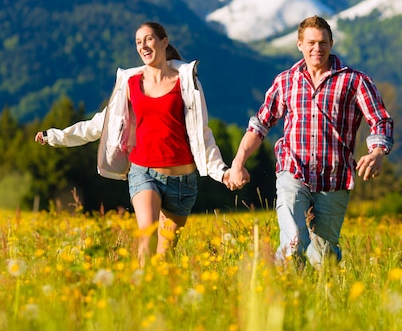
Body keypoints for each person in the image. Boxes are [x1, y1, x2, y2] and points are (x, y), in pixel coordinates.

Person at [35, 21, 246, 265]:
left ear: (164, 41)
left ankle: (156, 296)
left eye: (148, 39)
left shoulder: (186, 83)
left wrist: (222, 172)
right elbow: (100, 124)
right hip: (144, 172)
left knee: (164, 256)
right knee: (147, 236)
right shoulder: (130, 84)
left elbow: (202, 134)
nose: (143, 45)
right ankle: (138, 289)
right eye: (138, 42)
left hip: (182, 182)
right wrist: (55, 137)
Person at [227, 15, 393, 268]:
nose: (318, 48)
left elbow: (380, 120)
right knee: (293, 242)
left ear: (332, 43)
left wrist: (377, 152)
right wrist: (238, 162)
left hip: (334, 177)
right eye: (311, 43)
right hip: (293, 170)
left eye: (323, 42)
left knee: (324, 257)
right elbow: (259, 125)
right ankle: (285, 294)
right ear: (299, 44)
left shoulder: (355, 81)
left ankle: (322, 300)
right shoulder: (286, 81)